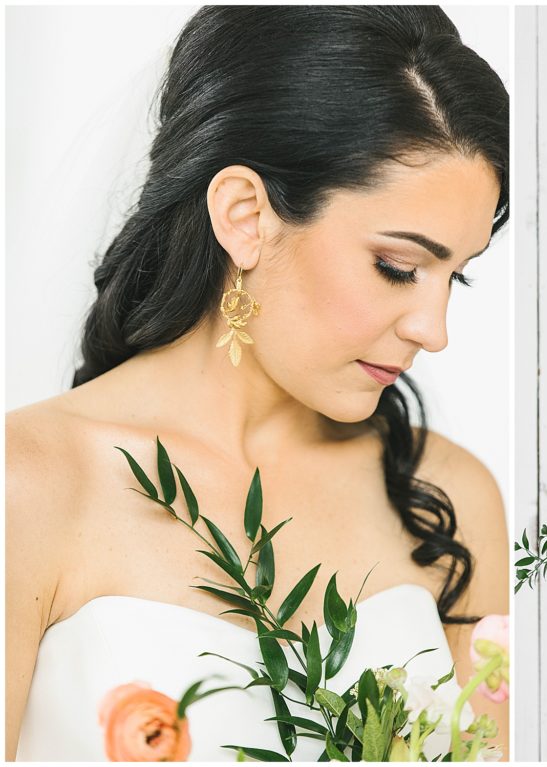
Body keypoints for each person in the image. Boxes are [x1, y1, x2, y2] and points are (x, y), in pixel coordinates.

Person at [5, 6, 509, 760]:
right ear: (245, 216)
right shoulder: (29, 484)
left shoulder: (451, 498)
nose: (433, 330)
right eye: (398, 268)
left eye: (454, 279)